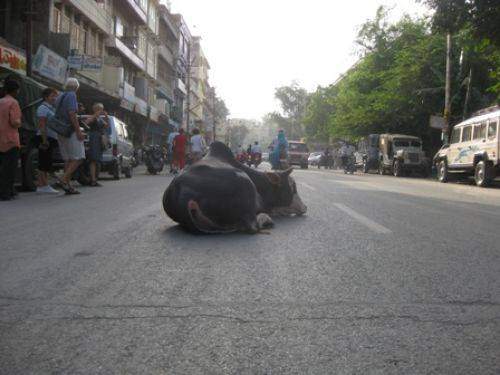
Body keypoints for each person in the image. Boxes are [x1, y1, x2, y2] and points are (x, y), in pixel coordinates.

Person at [55, 78, 85, 195]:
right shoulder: (72, 95)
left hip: (60, 129)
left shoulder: (60, 96)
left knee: (68, 159)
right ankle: (63, 178)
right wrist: (78, 131)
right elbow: (72, 113)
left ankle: (67, 186)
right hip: (69, 130)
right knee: (78, 157)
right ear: (76, 88)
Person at [0, 79, 22, 201]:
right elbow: (14, 122)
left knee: (2, 167)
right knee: (10, 168)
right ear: (15, 90)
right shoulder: (13, 102)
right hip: (10, 140)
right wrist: (19, 122)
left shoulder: (0, 101)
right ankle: (6, 192)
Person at [36, 87, 60, 194]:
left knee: (46, 161)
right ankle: (42, 185)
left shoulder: (50, 108)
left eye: (55, 96)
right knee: (43, 161)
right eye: (52, 96)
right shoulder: (43, 107)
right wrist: (44, 140)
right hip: (44, 137)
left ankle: (44, 185)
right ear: (46, 97)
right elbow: (42, 125)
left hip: (50, 137)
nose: (54, 98)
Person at [85, 103, 109, 187]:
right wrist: (95, 114)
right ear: (96, 109)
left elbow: (106, 126)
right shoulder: (93, 117)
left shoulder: (100, 119)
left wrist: (106, 117)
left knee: (98, 160)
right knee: (93, 159)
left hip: (99, 139)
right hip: (94, 138)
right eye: (100, 109)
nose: (101, 111)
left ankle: (95, 178)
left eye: (102, 109)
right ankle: (93, 179)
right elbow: (87, 122)